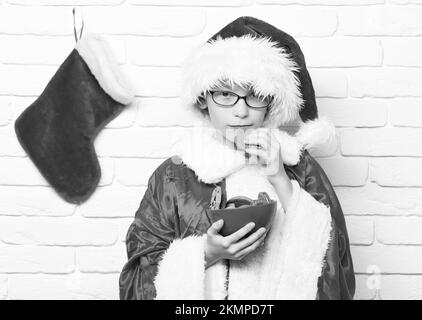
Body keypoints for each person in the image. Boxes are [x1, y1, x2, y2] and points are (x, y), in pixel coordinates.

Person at [119, 16, 355, 300]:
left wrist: (281, 180)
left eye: (255, 95)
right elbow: (138, 279)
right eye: (226, 94)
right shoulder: (172, 178)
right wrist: (204, 255)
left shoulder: (300, 168)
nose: (241, 112)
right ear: (204, 97)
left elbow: (335, 264)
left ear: (272, 102)